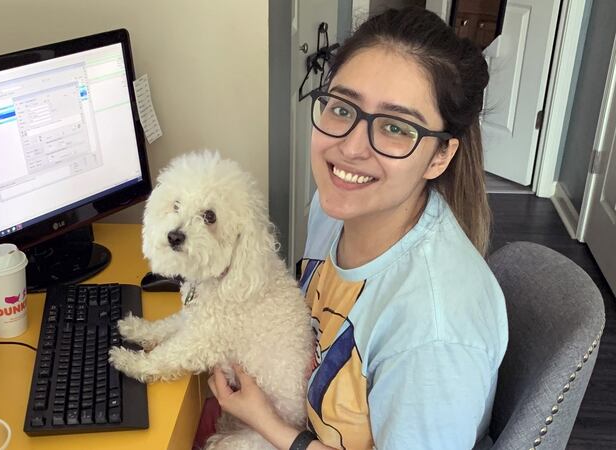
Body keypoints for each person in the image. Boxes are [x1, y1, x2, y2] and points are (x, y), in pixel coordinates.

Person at [206, 7, 508, 450]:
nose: (349, 148)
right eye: (342, 107)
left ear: (440, 156)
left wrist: (269, 425)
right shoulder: (336, 210)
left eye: (394, 127)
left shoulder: (433, 333)